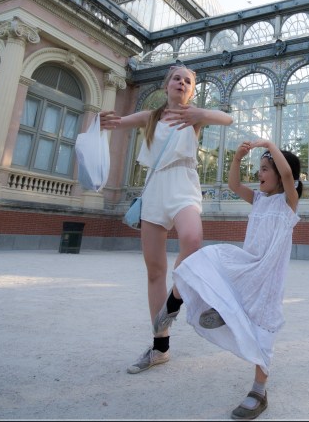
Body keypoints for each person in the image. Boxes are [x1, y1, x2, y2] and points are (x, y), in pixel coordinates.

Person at [99, 65, 234, 373]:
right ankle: (160, 347)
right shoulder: (152, 117)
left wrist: (199, 114)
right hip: (156, 187)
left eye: (188, 81)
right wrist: (102, 120)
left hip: (184, 184)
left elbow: (228, 118)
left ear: (191, 90)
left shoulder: (194, 116)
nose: (181, 82)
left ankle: (173, 304)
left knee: (192, 239)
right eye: (177, 78)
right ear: (166, 84)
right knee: (154, 270)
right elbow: (118, 123)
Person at [172, 139, 302, 420]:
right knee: (213, 258)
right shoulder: (258, 199)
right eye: (260, 168)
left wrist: (268, 143)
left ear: (280, 174)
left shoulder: (288, 202)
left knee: (264, 328)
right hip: (246, 266)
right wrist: (236, 159)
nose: (260, 174)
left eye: (266, 168)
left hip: (268, 277)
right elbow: (234, 185)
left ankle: (258, 390)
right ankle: (215, 310)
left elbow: (290, 176)